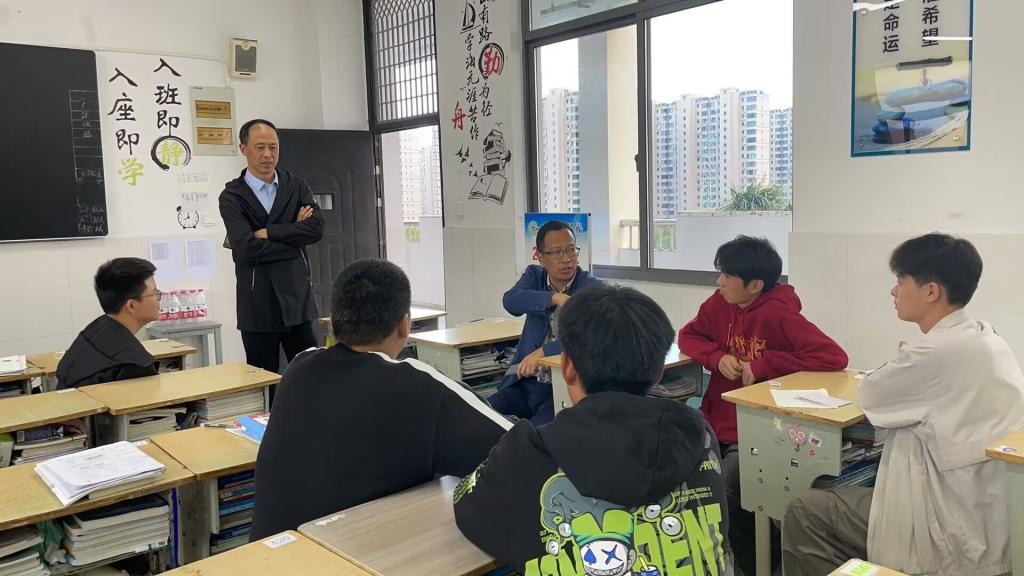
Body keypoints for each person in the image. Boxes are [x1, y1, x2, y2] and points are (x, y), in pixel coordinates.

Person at [783, 233, 1024, 576]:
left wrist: (903, 359)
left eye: (900, 280)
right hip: (988, 512)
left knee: (805, 511)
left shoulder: (934, 352)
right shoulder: (985, 336)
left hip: (948, 524)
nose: (893, 291)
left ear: (931, 291)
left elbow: (871, 394)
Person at [454, 284, 731, 575]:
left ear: (567, 367)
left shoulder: (527, 452)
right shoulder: (698, 434)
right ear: (659, 371)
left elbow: (469, 508)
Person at [251, 259, 510, 539]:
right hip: (352, 556)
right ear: (405, 325)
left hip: (269, 552)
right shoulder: (417, 383)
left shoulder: (299, 367)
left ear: (333, 322)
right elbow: (519, 447)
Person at [678, 235, 847, 575]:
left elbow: (834, 357)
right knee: (689, 479)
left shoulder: (779, 313)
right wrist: (716, 357)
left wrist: (766, 364)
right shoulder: (718, 303)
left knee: (729, 489)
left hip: (756, 429)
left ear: (755, 285)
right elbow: (688, 336)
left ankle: (757, 565)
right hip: (714, 420)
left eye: (727, 276)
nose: (719, 282)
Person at [219, 118, 324, 376]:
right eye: (260, 147)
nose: (268, 154)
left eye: (273, 147)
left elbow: (316, 229)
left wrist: (269, 233)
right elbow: (245, 248)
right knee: (263, 383)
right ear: (243, 149)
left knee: (309, 376)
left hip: (297, 300)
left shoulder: (296, 186)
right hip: (257, 304)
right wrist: (294, 237)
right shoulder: (232, 196)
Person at [488, 220, 600, 425]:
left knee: (537, 435)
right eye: (557, 252)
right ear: (540, 257)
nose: (567, 259)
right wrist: (554, 298)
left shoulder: (591, 287)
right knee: (484, 415)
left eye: (571, 250)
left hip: (561, 387)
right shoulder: (534, 276)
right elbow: (511, 301)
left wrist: (544, 352)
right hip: (525, 383)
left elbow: (589, 338)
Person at [57, 258, 161, 389]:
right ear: (131, 306)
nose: (159, 298)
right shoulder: (134, 365)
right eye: (154, 293)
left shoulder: (93, 331)